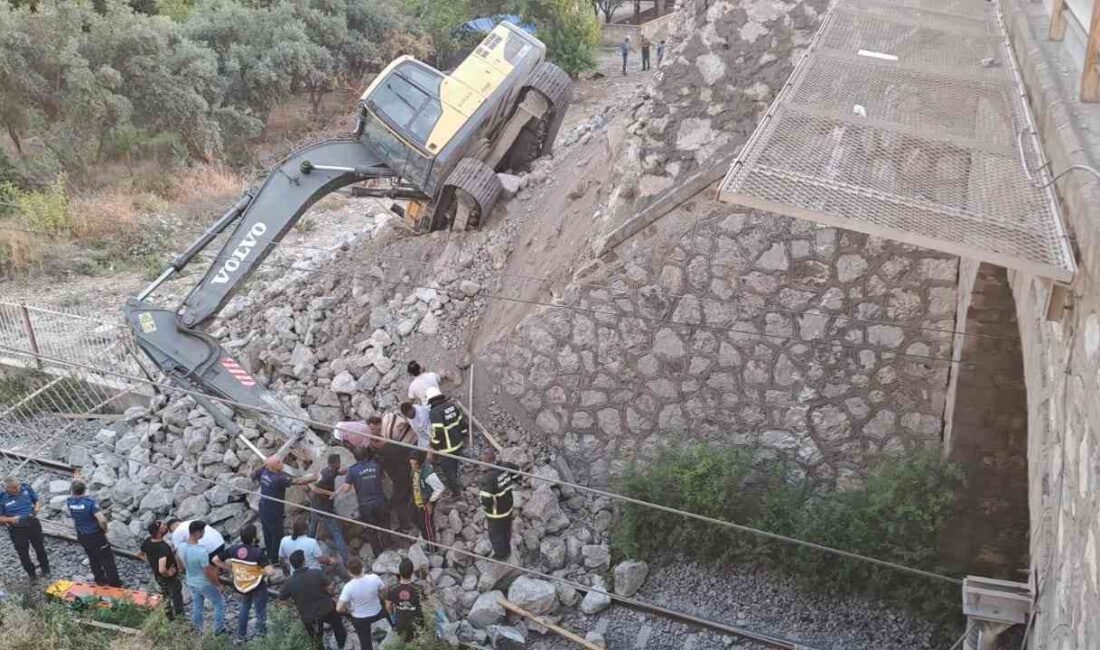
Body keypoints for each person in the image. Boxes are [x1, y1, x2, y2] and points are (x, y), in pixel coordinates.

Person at [252, 456, 315, 564]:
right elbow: (298, 481)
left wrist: (266, 463)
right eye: (279, 462)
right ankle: (276, 560)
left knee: (268, 533)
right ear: (274, 466)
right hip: (274, 511)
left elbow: (253, 474)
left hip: (263, 507)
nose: (282, 464)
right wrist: (315, 477)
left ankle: (270, 555)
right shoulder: (278, 479)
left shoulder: (263, 471)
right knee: (277, 535)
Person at [278, 549, 347, 650]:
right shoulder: (316, 573)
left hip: (309, 616)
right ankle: (342, 646)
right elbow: (331, 587)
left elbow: (281, 600)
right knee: (338, 627)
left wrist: (293, 609)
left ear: (292, 565)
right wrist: (330, 592)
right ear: (304, 561)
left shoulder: (289, 583)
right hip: (326, 608)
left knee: (316, 640)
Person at [220, 524, 273, 641]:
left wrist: (229, 568)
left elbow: (215, 559)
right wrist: (262, 571)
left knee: (244, 608)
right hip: (257, 586)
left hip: (242, 585)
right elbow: (270, 571)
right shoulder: (258, 552)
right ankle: (261, 636)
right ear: (254, 538)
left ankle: (241, 635)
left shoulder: (233, 549)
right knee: (260, 611)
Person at [65, 480, 121, 587]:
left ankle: (100, 580)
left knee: (93, 558)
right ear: (85, 490)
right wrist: (105, 529)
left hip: (82, 535)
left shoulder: (70, 502)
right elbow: (102, 519)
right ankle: (115, 584)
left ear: (73, 491)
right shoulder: (89, 503)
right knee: (107, 559)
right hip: (95, 535)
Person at [178, 520, 226, 635]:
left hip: (191, 581)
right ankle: (218, 630)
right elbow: (207, 572)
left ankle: (197, 629)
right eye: (203, 531)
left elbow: (179, 561)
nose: (204, 533)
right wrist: (218, 585)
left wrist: (184, 569)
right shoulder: (201, 551)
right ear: (197, 533)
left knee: (197, 605)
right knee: (219, 603)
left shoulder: (182, 546)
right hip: (203, 583)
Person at [368, 413, 415, 531]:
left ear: (376, 442)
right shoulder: (395, 444)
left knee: (398, 501)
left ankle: (405, 525)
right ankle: (410, 520)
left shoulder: (383, 452)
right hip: (409, 473)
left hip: (400, 478)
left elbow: (377, 467)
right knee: (406, 498)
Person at [341, 446, 388, 557]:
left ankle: (378, 552)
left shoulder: (353, 470)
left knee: (371, 530)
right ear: (366, 455)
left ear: (355, 457)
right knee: (385, 524)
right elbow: (383, 478)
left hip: (365, 505)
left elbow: (346, 489)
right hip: (380, 500)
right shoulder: (376, 465)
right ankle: (388, 546)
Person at [0, 477, 49, 579]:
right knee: (23, 553)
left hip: (32, 523)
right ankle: (32, 574)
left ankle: (46, 570)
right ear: (7, 489)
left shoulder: (26, 488)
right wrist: (10, 519)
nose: (17, 488)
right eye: (14, 487)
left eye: (18, 485)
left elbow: (36, 501)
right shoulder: (2, 498)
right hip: (17, 529)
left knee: (40, 547)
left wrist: (36, 510)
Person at [308, 454, 350, 565]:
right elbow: (315, 488)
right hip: (325, 509)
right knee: (337, 534)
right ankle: (347, 560)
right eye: (339, 462)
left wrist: (350, 469)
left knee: (312, 529)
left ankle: (306, 551)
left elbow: (340, 472)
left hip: (315, 506)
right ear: (335, 463)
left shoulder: (330, 470)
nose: (340, 464)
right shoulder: (326, 475)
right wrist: (330, 493)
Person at [337, 557, 386, 650]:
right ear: (362, 567)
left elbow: (338, 608)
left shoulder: (348, 587)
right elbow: (384, 592)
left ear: (349, 572)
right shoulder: (374, 578)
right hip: (378, 613)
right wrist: (381, 598)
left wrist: (348, 610)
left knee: (365, 644)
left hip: (360, 618)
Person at [478, 448, 519, 560]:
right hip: (508, 506)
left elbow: (486, 499)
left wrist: (487, 509)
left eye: (482, 461)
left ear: (486, 462)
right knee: (506, 529)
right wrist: (514, 481)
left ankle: (501, 555)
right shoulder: (504, 467)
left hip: (496, 513)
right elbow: (517, 471)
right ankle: (507, 550)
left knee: (496, 534)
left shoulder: (487, 479)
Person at [140, 520, 184, 620]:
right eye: (163, 526)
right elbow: (161, 569)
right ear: (159, 532)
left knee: (165, 596)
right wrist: (168, 572)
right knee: (176, 596)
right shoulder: (162, 548)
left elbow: (139, 554)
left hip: (158, 577)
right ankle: (180, 618)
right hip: (169, 578)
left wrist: (151, 563)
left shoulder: (148, 541)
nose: (165, 526)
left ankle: (169, 617)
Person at [426, 386, 467, 495]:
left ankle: (456, 493)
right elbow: (462, 422)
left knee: (448, 471)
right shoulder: (452, 406)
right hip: (458, 443)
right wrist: (463, 435)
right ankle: (461, 485)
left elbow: (438, 431)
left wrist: (434, 446)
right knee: (455, 466)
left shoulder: (435, 412)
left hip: (447, 448)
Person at [278, 517, 343, 576]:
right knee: (336, 563)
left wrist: (288, 567)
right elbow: (322, 560)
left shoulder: (284, 540)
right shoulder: (311, 542)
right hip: (314, 574)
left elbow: (281, 559)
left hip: (295, 573)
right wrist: (332, 560)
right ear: (305, 530)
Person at [409, 450, 444, 549]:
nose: (412, 466)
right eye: (411, 464)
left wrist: (430, 501)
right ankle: (424, 537)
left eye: (414, 464)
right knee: (415, 518)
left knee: (427, 525)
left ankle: (432, 547)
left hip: (426, 503)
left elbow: (440, 488)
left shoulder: (428, 474)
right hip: (417, 500)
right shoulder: (415, 470)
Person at [386, 558, 424, 643]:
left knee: (403, 643)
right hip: (417, 623)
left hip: (401, 623)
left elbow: (388, 606)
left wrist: (393, 616)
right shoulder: (419, 588)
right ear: (412, 571)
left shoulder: (392, 589)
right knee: (416, 643)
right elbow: (425, 606)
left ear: (399, 572)